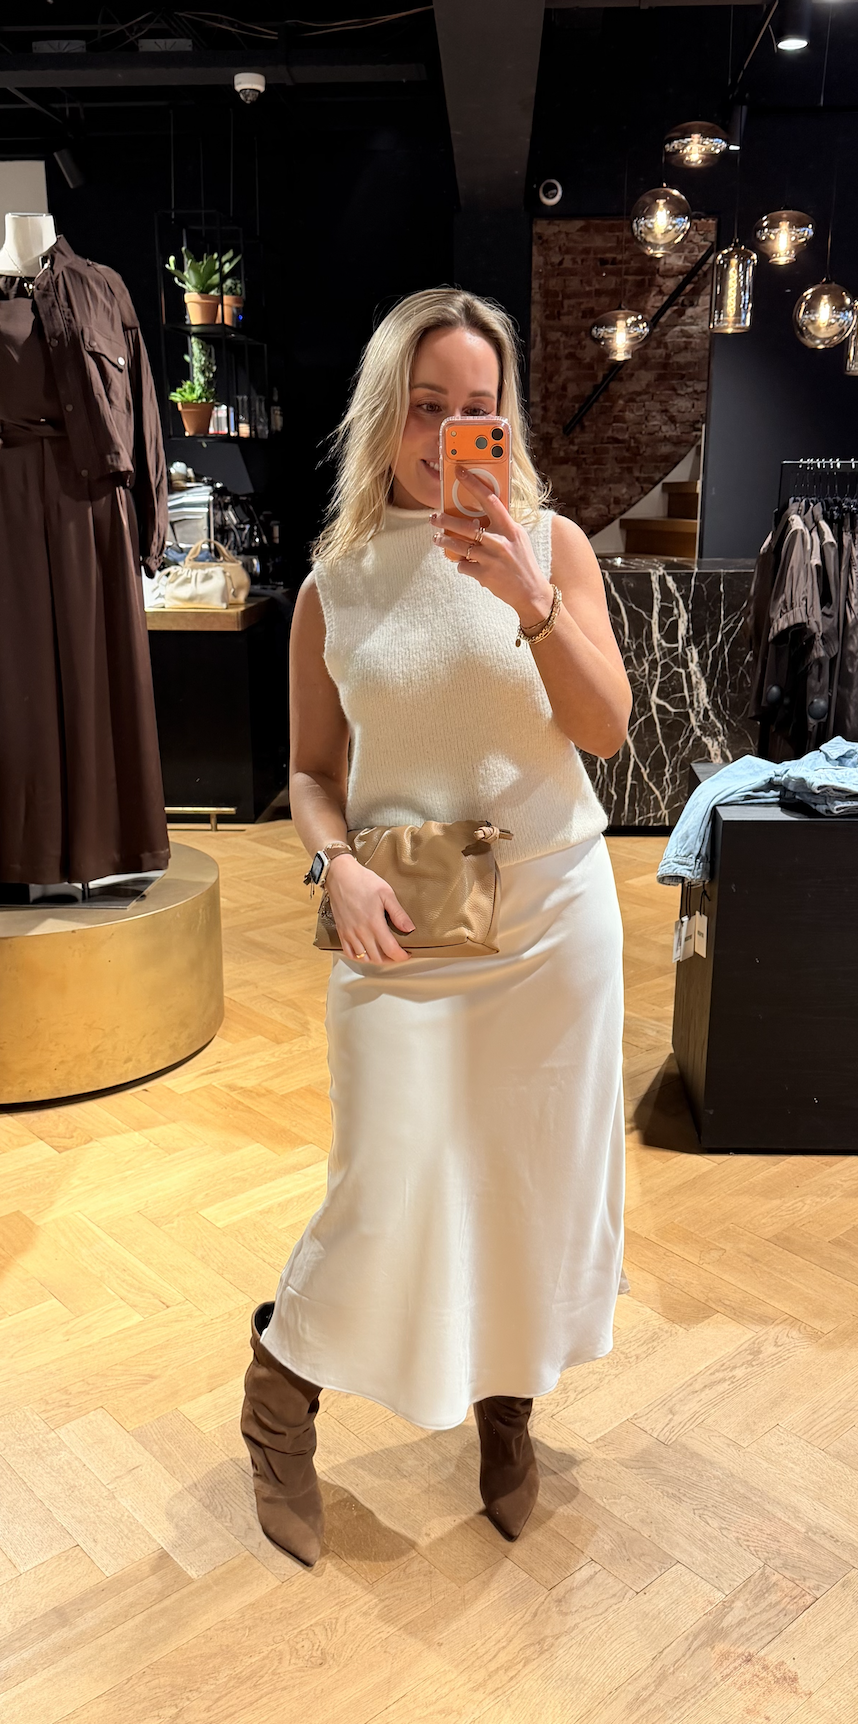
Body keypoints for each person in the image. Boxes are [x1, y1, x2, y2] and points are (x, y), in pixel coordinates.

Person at [240, 287, 633, 1567]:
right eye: (425, 407)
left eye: (477, 408)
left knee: (532, 1180)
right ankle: (279, 1398)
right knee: (386, 1181)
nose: (448, 434)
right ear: (385, 415)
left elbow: (606, 728)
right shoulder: (335, 587)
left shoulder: (552, 545)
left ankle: (506, 1415)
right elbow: (311, 773)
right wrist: (336, 865)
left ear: (504, 420)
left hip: (554, 921)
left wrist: (529, 594)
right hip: (404, 929)